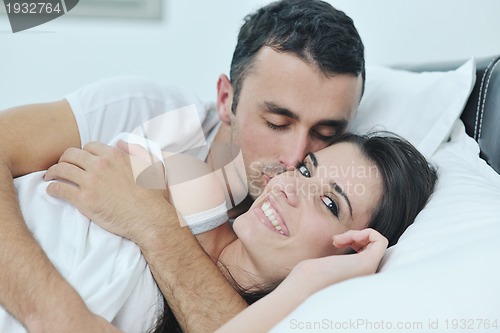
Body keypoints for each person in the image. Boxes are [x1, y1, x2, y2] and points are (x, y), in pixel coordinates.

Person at [0, 0, 367, 331]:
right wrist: (61, 318)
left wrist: (151, 221)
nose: (295, 157)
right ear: (227, 99)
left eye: (324, 133)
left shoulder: (305, 247)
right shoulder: (150, 115)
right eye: (276, 122)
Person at [3, 129, 437, 332]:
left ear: (348, 251)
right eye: (306, 169)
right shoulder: (190, 185)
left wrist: (310, 281)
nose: (288, 188)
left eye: (328, 203)